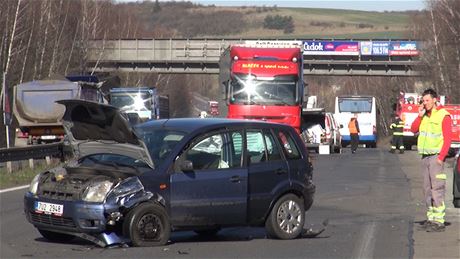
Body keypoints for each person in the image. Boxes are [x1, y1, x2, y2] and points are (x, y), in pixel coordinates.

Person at [411, 88, 452, 232]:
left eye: (427, 100)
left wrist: (441, 158)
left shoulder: (443, 115)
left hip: (436, 157)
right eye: (423, 100)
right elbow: (413, 129)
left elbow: (448, 139)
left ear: (435, 100)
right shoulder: (424, 116)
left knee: (437, 189)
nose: (425, 103)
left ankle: (439, 221)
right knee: (427, 190)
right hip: (425, 157)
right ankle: (431, 218)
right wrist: (419, 115)